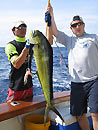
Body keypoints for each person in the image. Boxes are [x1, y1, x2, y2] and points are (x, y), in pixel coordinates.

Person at [45, 4, 98, 130]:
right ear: (71, 28)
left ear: (84, 25)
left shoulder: (94, 38)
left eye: (80, 24)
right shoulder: (69, 40)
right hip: (76, 84)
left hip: (94, 81)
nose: (77, 27)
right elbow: (54, 32)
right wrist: (51, 14)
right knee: (79, 115)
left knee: (95, 114)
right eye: (74, 25)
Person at [5, 20, 33, 102]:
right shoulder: (10, 46)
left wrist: (49, 24)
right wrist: (26, 48)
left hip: (29, 86)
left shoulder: (30, 44)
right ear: (13, 30)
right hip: (16, 88)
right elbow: (17, 64)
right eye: (19, 27)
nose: (22, 29)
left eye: (24, 27)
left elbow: (49, 42)